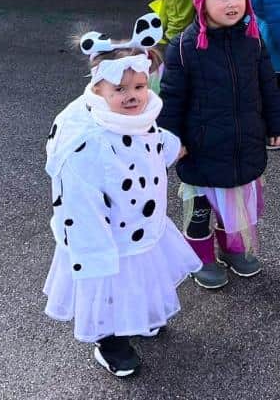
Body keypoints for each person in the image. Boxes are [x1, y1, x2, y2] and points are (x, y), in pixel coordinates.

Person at [42, 24, 201, 378]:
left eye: (139, 87)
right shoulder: (85, 141)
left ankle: (139, 318)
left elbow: (150, 140)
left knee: (141, 278)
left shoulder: (137, 116)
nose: (133, 96)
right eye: (120, 89)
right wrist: (94, 252)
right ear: (98, 89)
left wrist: (173, 147)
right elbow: (78, 200)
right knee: (109, 291)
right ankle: (110, 344)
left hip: (141, 221)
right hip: (104, 235)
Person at [158, 0, 280, 289]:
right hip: (201, 148)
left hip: (243, 142)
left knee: (236, 208)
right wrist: (172, 140)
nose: (233, 3)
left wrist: (277, 123)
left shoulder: (252, 40)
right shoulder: (185, 47)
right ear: (201, 2)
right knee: (200, 211)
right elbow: (172, 100)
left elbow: (267, 85)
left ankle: (233, 250)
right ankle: (200, 258)